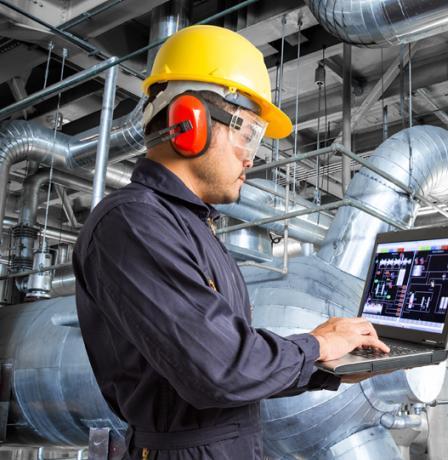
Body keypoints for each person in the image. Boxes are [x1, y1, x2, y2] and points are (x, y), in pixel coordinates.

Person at [73, 25, 389, 459]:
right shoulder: (132, 224)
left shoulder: (189, 226)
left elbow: (228, 357)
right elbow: (220, 368)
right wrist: (316, 345)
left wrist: (321, 365)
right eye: (248, 134)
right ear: (190, 123)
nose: (251, 155)